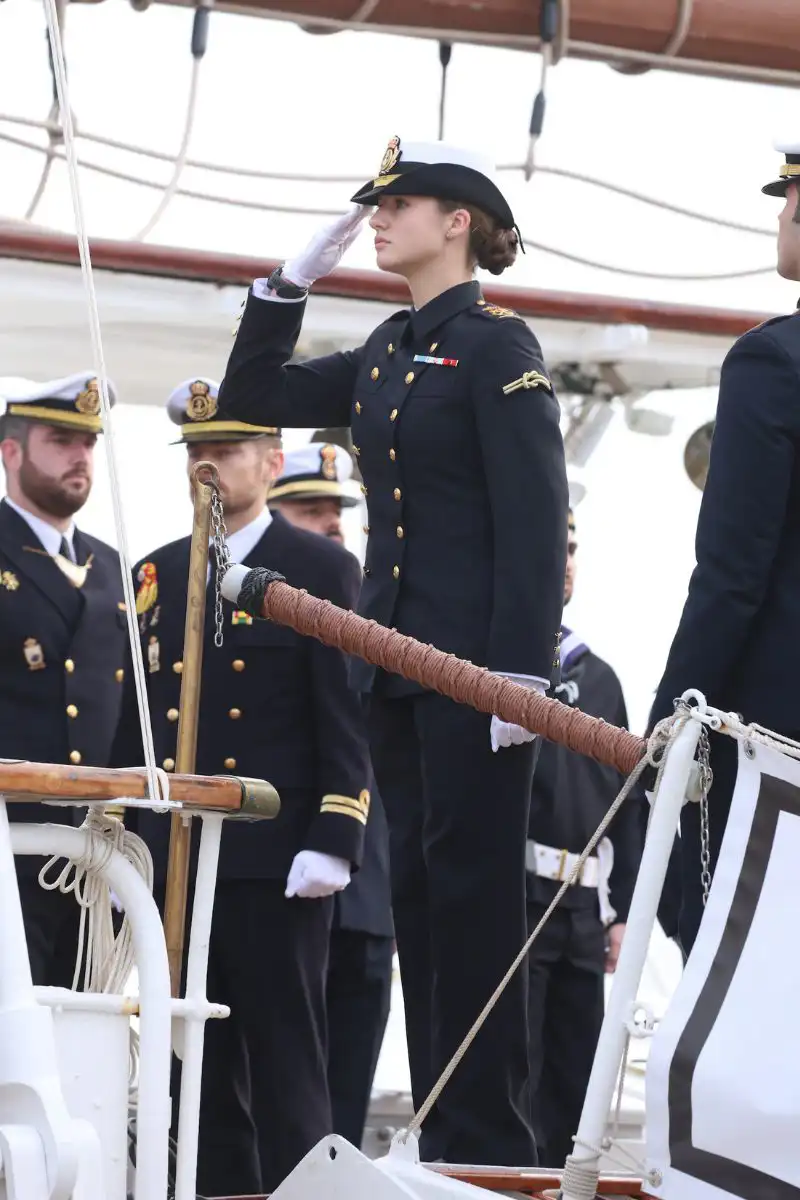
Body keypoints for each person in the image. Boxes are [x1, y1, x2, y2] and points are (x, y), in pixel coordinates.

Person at [216, 138, 569, 1166]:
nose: (375, 219)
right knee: (417, 899)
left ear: (455, 221)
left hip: (475, 676)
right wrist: (287, 285)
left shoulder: (498, 347)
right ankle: (440, 1127)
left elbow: (533, 514)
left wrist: (522, 674)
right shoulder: (383, 346)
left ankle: (487, 1141)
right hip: (397, 669)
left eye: (396, 204)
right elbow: (251, 393)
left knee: (472, 903)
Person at [110, 378, 372, 1196]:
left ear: (269, 460)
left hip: (275, 857)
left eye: (224, 452)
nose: (207, 467)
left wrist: (336, 832)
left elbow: (344, 714)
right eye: (195, 453)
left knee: (287, 1053)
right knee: (194, 1060)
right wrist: (118, 843)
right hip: (180, 861)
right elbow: (137, 725)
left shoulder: (319, 567)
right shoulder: (157, 572)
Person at [649, 138, 800, 955]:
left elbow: (734, 573)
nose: (782, 215)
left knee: (738, 966)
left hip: (775, 735)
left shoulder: (774, 361)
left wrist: (677, 713)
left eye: (789, 199)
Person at [271, 443, 395, 1147]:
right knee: (274, 1097)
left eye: (337, 512)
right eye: (310, 511)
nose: (331, 526)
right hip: (278, 881)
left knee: (343, 1112)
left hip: (368, 892)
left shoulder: (376, 604)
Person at [0, 372, 126, 986]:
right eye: (61, 439)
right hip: (8, 841)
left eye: (88, 442)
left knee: (83, 1040)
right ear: (11, 451)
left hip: (91, 857)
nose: (79, 456)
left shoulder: (113, 569)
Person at [526, 508, 642, 1167]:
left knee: (575, 1089)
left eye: (572, 547)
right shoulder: (487, 662)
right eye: (552, 544)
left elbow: (627, 805)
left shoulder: (599, 678)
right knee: (520, 1079)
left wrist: (622, 911)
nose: (565, 560)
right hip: (512, 898)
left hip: (580, 909)